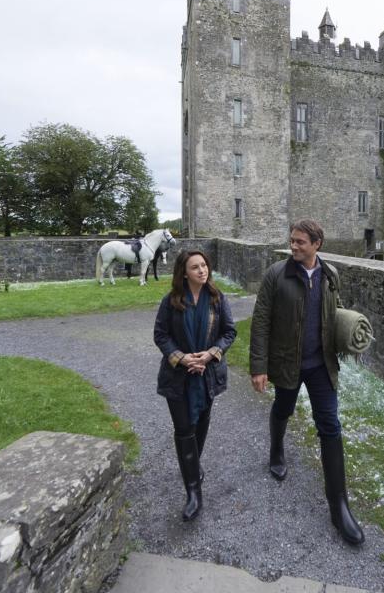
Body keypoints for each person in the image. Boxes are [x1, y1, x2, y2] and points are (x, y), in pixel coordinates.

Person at [249, 219, 365, 545]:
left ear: (317, 244)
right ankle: (276, 450)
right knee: (283, 408)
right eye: (292, 240)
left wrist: (348, 332)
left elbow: (335, 311)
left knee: (330, 425)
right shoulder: (276, 275)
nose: (294, 246)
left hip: (321, 367)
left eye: (301, 242)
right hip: (287, 364)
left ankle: (339, 507)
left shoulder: (330, 276)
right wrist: (259, 366)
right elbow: (260, 323)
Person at [154, 249, 236, 520]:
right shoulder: (171, 301)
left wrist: (212, 353)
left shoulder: (217, 298)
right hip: (178, 376)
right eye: (195, 267)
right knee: (183, 429)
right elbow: (161, 335)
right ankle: (193, 492)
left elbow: (229, 332)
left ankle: (193, 466)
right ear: (184, 273)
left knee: (200, 425)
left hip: (208, 374)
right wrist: (182, 358)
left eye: (204, 265)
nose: (202, 271)